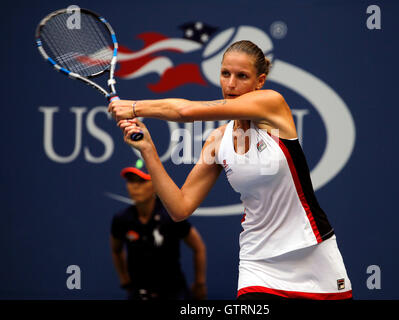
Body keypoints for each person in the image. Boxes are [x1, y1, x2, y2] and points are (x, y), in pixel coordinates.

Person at [109, 40, 352, 300]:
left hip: (312, 252)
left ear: (260, 81)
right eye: (225, 74)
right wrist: (148, 150)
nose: (231, 84)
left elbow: (187, 111)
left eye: (242, 76)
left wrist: (134, 107)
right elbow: (180, 208)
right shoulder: (217, 141)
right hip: (257, 262)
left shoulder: (272, 104)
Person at [110, 160, 207, 300]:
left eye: (141, 181)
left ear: (155, 186)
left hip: (173, 292)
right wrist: (124, 279)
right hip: (138, 293)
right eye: (131, 181)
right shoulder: (122, 219)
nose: (135, 187)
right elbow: (116, 250)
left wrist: (200, 283)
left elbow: (198, 247)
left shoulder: (171, 215)